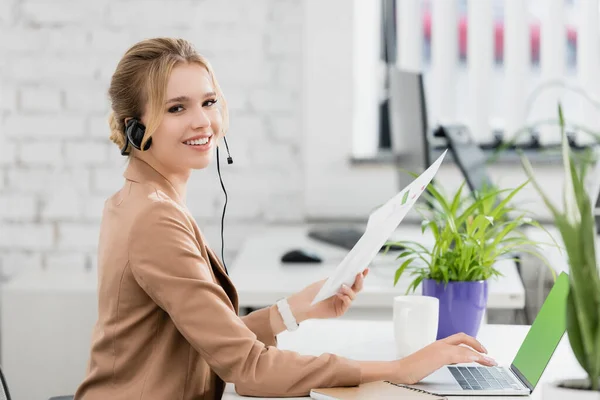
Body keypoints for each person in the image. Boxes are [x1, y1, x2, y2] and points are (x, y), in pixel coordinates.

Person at [74, 38, 496, 400]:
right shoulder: (155, 219)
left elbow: (216, 341)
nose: (202, 121)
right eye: (176, 108)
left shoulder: (141, 199)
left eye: (208, 101)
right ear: (135, 128)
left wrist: (296, 310)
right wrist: (399, 368)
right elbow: (248, 368)